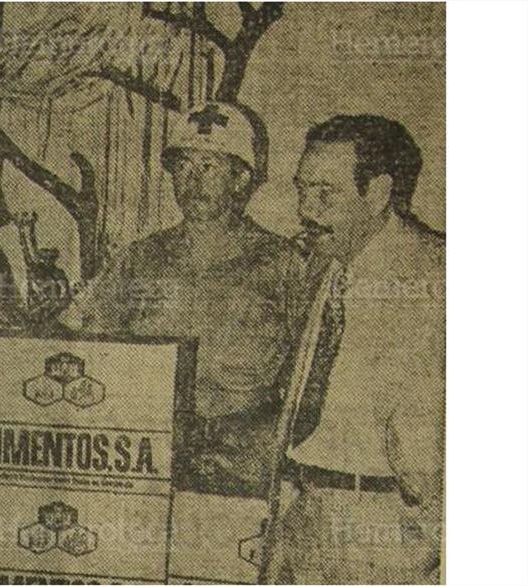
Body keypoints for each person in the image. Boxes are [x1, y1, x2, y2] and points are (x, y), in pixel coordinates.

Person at [60, 102, 312, 497]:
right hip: (151, 457)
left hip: (248, 462)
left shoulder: (282, 264)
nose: (193, 183)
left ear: (241, 178)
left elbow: (314, 375)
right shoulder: (142, 257)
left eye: (208, 167)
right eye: (183, 168)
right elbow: (73, 335)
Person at [263, 115, 444, 584]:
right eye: (302, 190)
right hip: (307, 514)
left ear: (379, 192)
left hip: (385, 535)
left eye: (326, 193)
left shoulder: (439, 275)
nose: (306, 209)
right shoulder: (333, 266)